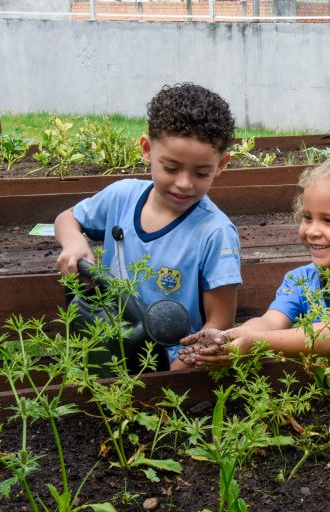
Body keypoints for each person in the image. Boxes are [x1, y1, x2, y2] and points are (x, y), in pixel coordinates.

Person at [55, 83, 242, 370]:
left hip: (169, 366)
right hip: (107, 345)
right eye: (170, 167)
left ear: (221, 164)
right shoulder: (121, 196)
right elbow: (67, 218)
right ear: (146, 149)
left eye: (201, 172)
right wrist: (74, 241)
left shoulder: (215, 233)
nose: (184, 183)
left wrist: (167, 380)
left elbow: (219, 323)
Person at [178, 154, 330, 367]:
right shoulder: (300, 279)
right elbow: (270, 321)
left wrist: (254, 343)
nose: (312, 230)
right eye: (307, 217)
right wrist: (228, 337)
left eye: (328, 220)